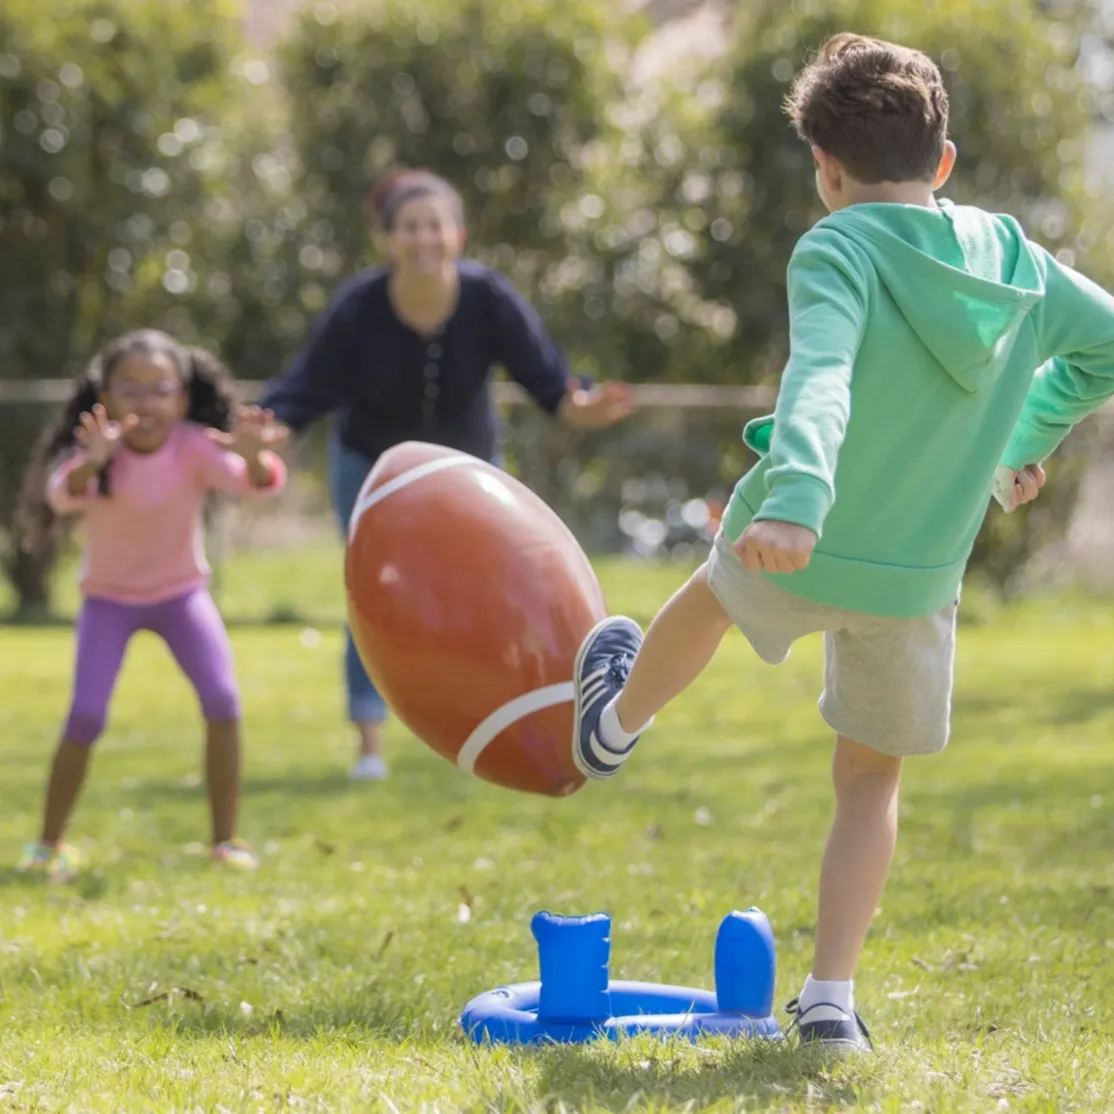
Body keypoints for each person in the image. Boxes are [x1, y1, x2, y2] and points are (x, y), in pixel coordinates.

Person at [567, 32, 1114, 1054]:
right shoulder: (1016, 262)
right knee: (870, 778)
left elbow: (819, 375)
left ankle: (615, 720)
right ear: (941, 161)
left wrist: (800, 500)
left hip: (802, 538)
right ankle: (829, 997)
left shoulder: (836, 246)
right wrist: (1023, 439)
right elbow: (1106, 348)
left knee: (712, 595)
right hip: (916, 576)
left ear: (824, 168)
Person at [259, 168, 635, 782]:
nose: (423, 238)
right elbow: (304, 389)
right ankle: (370, 744)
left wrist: (584, 406)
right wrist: (269, 426)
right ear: (388, 240)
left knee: (499, 601)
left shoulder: (488, 299)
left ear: (457, 235)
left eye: (435, 226)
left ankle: (496, 722)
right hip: (374, 475)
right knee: (374, 602)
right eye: (409, 228)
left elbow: (549, 379)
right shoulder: (359, 308)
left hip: (469, 477)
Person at [15, 330, 288, 882]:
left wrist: (256, 460)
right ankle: (48, 845)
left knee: (223, 701)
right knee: (86, 715)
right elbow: (62, 493)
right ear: (106, 397)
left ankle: (225, 841)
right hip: (108, 602)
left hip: (181, 595)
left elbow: (252, 485)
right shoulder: (98, 449)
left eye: (160, 389)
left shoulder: (192, 444)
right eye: (130, 389)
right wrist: (93, 463)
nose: (146, 402)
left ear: (182, 400)